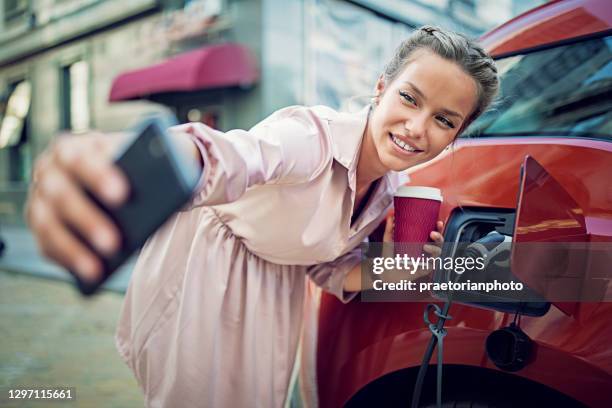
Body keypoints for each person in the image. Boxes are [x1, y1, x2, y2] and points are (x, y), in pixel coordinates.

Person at [25, 25, 498, 407]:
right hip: (207, 272)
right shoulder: (311, 136)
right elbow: (231, 156)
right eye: (410, 98)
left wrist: (395, 263)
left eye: (443, 120)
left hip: (275, 298)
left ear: (457, 133)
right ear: (381, 88)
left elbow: (327, 270)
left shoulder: (391, 193)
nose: (416, 128)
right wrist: (130, 163)